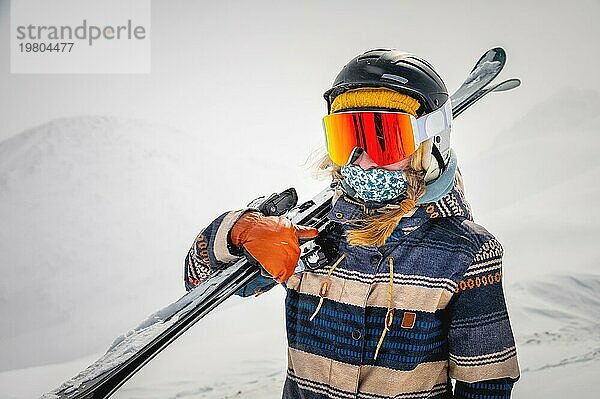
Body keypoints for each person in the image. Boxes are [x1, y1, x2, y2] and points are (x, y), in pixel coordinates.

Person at [184, 49, 521, 399]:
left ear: (429, 145)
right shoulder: (308, 235)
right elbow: (197, 280)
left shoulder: (466, 254)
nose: (362, 161)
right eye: (348, 139)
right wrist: (238, 232)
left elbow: (486, 382)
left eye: (384, 141)